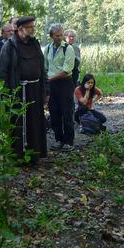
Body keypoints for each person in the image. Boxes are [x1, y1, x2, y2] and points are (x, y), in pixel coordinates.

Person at [0, 16, 47, 163]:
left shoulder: (35, 44)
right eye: (30, 27)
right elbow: (1, 72)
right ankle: (18, 156)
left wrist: (46, 90)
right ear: (20, 29)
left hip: (35, 89)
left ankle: (34, 154)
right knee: (18, 122)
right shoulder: (10, 46)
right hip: (18, 90)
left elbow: (42, 69)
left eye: (33, 26)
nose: (33, 29)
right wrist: (5, 92)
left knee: (35, 122)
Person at [44, 23, 76, 152]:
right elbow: (45, 66)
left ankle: (69, 141)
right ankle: (59, 139)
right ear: (51, 36)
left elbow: (67, 70)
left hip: (65, 83)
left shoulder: (68, 49)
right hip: (52, 84)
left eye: (61, 34)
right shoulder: (47, 48)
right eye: (57, 35)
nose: (60, 37)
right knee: (54, 112)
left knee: (66, 112)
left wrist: (50, 78)